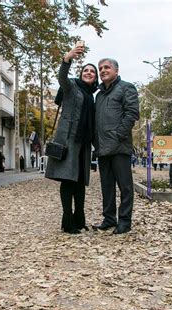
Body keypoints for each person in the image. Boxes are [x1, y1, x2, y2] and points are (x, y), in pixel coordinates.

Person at [45, 45, 98, 234]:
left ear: (95, 77)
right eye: (86, 70)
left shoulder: (92, 96)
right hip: (68, 142)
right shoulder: (71, 86)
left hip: (84, 144)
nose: (89, 73)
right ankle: (67, 221)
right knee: (68, 181)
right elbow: (62, 78)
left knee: (80, 183)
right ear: (81, 73)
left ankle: (79, 219)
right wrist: (67, 59)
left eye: (92, 71)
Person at [92, 58, 140, 235]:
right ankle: (109, 218)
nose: (103, 70)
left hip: (120, 147)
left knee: (125, 187)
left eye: (107, 67)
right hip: (103, 148)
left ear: (116, 71)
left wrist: (119, 134)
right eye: (101, 68)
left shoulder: (126, 87)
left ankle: (125, 221)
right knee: (107, 187)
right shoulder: (99, 95)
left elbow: (132, 113)